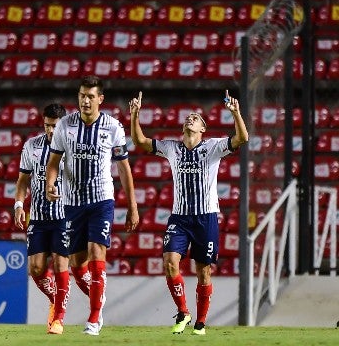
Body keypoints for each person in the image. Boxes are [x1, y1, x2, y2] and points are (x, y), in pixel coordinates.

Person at [129, 90, 249, 335]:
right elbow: (140, 142)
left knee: (203, 272)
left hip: (206, 218)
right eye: (188, 117)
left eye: (196, 118)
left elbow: (242, 138)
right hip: (180, 218)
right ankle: (184, 311)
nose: (190, 119)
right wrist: (135, 116)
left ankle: (201, 323)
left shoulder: (213, 148)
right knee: (170, 262)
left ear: (203, 129)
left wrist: (236, 113)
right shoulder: (171, 148)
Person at [45, 76, 139, 336]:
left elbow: (123, 168)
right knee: (77, 265)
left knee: (98, 253)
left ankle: (94, 318)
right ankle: (99, 296)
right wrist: (49, 184)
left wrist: (132, 205)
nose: (85, 101)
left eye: (90, 96)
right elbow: (54, 162)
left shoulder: (113, 127)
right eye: (81, 95)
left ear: (100, 99)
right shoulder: (65, 125)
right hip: (73, 202)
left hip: (101, 200)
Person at [14, 103, 69, 335]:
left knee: (59, 265)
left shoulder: (72, 147)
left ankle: (58, 319)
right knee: (36, 269)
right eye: (47, 125)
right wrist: (19, 204)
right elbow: (23, 181)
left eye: (54, 126)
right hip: (38, 216)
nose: (50, 130)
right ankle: (57, 298)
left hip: (64, 216)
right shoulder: (31, 146)